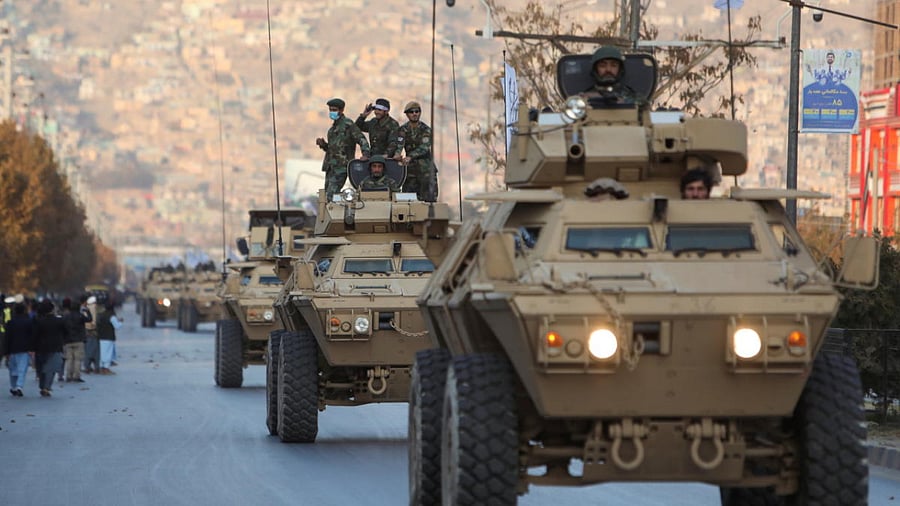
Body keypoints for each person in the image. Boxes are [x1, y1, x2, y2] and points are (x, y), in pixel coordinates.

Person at [316, 98, 371, 202]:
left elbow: (361, 139)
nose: (332, 112)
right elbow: (333, 149)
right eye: (330, 110)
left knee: (331, 195)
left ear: (341, 110)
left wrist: (366, 154)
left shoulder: (348, 125)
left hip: (342, 166)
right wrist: (323, 145)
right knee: (326, 194)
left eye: (334, 110)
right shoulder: (332, 130)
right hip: (331, 167)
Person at [395, 101, 437, 201]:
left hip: (425, 169)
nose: (414, 114)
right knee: (408, 199)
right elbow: (399, 144)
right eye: (411, 112)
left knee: (428, 199)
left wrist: (410, 156)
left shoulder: (426, 130)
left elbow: (425, 147)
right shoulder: (403, 130)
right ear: (407, 114)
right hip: (410, 171)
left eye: (417, 111)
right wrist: (397, 154)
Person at [33, 299, 68, 397]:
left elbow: (34, 335)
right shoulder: (60, 321)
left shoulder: (39, 321)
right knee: (51, 369)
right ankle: (46, 387)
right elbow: (66, 332)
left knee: (42, 368)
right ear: (52, 310)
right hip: (56, 347)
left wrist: (32, 347)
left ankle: (42, 385)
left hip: (40, 347)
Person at [5, 303, 34, 397]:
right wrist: (32, 348)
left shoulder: (10, 322)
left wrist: (6, 352)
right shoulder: (29, 322)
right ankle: (19, 386)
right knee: (22, 369)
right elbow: (31, 336)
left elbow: (7, 338)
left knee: (13, 369)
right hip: (25, 348)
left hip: (12, 348)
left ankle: (13, 386)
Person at [62, 295, 92, 383]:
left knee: (69, 359)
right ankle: (76, 376)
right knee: (78, 360)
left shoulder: (66, 317)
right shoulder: (80, 316)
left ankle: (68, 376)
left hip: (68, 340)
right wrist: (88, 311)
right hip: (79, 340)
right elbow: (90, 319)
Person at [96, 302, 122, 375]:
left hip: (101, 337)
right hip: (109, 337)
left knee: (102, 353)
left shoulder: (100, 315)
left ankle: (101, 368)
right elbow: (117, 326)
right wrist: (121, 322)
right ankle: (106, 368)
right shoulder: (112, 316)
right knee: (108, 353)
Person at [83, 295, 100, 373]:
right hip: (95, 332)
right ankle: (96, 367)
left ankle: (87, 367)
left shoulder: (85, 309)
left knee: (87, 350)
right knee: (96, 351)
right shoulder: (96, 308)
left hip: (87, 332)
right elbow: (95, 320)